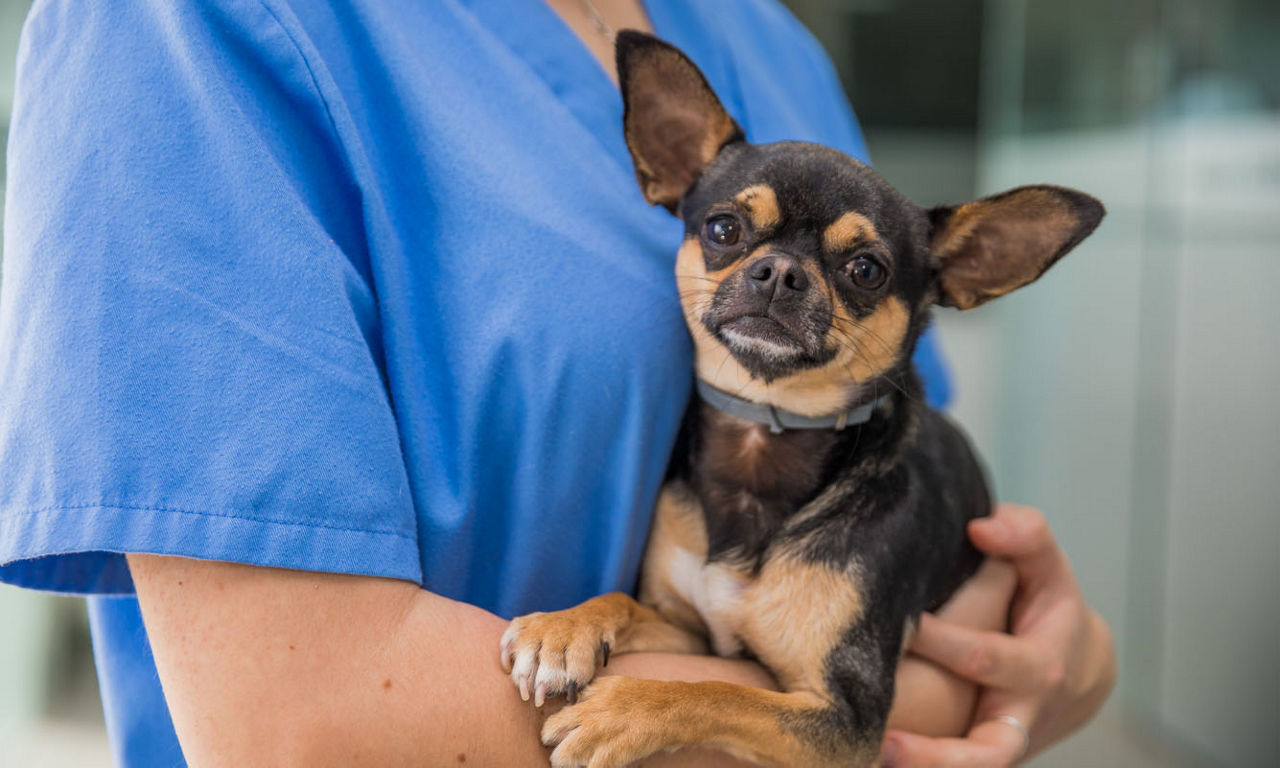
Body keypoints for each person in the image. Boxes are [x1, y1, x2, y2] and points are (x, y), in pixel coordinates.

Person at [0, 1, 1114, 765]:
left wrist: (1070, 654)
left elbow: (908, 489)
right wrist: (955, 701)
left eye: (853, 269)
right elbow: (305, 732)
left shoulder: (762, 38)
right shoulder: (177, 28)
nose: (780, 281)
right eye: (732, 236)